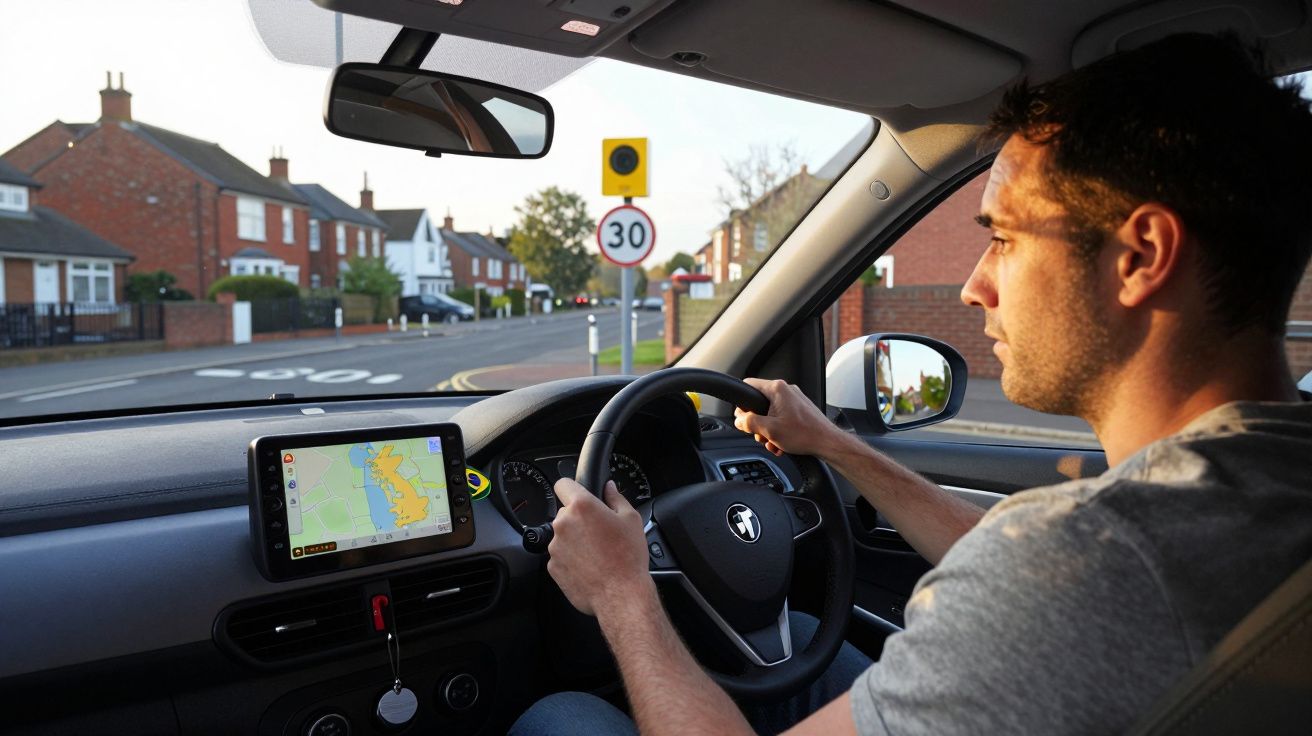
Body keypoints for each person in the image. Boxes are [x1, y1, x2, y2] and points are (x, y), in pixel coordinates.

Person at [511, 33, 1312, 735]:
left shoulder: (1095, 560)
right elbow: (1011, 567)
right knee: (792, 635)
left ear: (1139, 256)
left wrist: (622, 593)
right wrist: (831, 444)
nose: (973, 285)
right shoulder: (1249, 492)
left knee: (562, 716)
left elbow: (1041, 578)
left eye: (1003, 237)